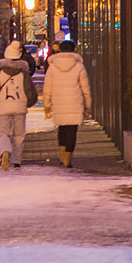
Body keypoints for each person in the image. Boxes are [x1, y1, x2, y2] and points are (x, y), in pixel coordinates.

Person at [0, 40, 37, 170]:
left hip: (3, 106)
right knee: (19, 134)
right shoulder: (24, 72)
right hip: (20, 106)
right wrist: (29, 102)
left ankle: (5, 152)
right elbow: (29, 90)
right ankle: (17, 161)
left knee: (3, 132)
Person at [43, 39, 91, 167]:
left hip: (58, 101)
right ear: (73, 50)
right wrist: (88, 104)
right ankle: (67, 160)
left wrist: (47, 104)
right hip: (74, 101)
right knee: (72, 131)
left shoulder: (52, 67)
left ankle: (62, 156)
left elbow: (47, 87)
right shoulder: (79, 66)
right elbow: (85, 87)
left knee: (62, 129)